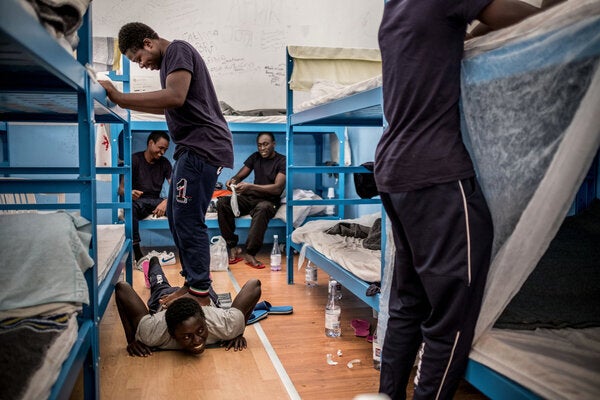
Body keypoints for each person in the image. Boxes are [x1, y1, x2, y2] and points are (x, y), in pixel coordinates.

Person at [374, 1, 563, 399]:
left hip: (394, 170)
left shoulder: (395, 6)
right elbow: (528, 17)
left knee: (409, 304)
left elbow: (457, 35)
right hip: (436, 175)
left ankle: (387, 395)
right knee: (450, 319)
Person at [99, 22, 234, 307]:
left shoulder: (177, 50)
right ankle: (194, 284)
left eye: (138, 59)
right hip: (194, 148)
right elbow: (168, 103)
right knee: (176, 217)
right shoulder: (168, 66)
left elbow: (174, 97)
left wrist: (121, 97)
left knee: (187, 219)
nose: (141, 65)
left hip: (201, 147)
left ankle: (200, 292)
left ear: (148, 43)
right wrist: (124, 103)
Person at [115, 256, 262, 356]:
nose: (197, 340)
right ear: (172, 334)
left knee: (202, 285)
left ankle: (199, 278)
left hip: (200, 299)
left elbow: (254, 284)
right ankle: (153, 262)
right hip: (165, 300)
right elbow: (121, 288)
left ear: (205, 322)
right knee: (159, 283)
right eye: (187, 336)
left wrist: (238, 332)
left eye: (200, 331)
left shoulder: (224, 324)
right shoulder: (151, 332)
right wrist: (133, 341)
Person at [216, 132, 286, 268]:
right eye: (259, 145)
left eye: (265, 144)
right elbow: (239, 176)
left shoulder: (282, 161)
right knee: (222, 203)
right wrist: (233, 182)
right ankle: (232, 247)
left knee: (263, 208)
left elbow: (277, 188)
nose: (262, 148)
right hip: (250, 198)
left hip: (269, 201)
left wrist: (250, 186)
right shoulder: (255, 157)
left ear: (274, 144)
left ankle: (250, 253)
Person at [119, 130, 172, 266]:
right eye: (160, 148)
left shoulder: (165, 163)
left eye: (165, 150)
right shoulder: (135, 160)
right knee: (131, 208)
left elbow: (175, 189)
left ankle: (186, 249)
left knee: (180, 207)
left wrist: (166, 202)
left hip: (156, 201)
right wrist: (129, 192)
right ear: (150, 143)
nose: (162, 152)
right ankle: (138, 255)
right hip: (139, 201)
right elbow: (121, 189)